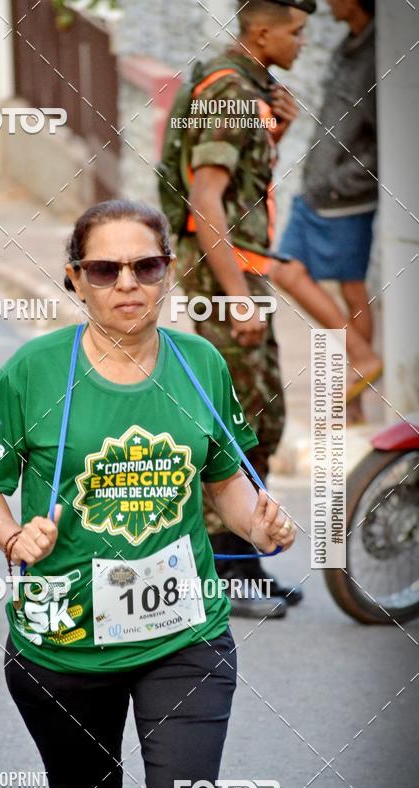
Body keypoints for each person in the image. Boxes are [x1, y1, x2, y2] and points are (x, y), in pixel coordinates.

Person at [0, 199, 296, 788]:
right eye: (104, 269)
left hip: (185, 633)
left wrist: (258, 528)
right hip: (65, 644)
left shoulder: (200, 363)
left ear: (169, 271)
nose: (127, 283)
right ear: (75, 279)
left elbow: (226, 479)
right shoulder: (35, 371)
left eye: (146, 266)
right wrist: (14, 536)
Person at [170, 0, 315, 617]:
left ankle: (245, 562)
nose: (303, 42)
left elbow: (240, 186)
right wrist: (236, 299)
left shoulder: (248, 89)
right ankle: (227, 574)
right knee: (235, 427)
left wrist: (275, 132)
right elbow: (206, 199)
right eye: (296, 31)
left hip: (240, 277)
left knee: (262, 420)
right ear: (262, 32)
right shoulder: (229, 91)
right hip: (227, 283)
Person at [272, 0, 380, 422]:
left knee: (348, 286)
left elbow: (388, 137)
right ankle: (362, 365)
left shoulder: (379, 54)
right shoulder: (349, 44)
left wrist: (345, 180)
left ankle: (358, 389)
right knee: (290, 270)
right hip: (317, 191)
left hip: (344, 196)